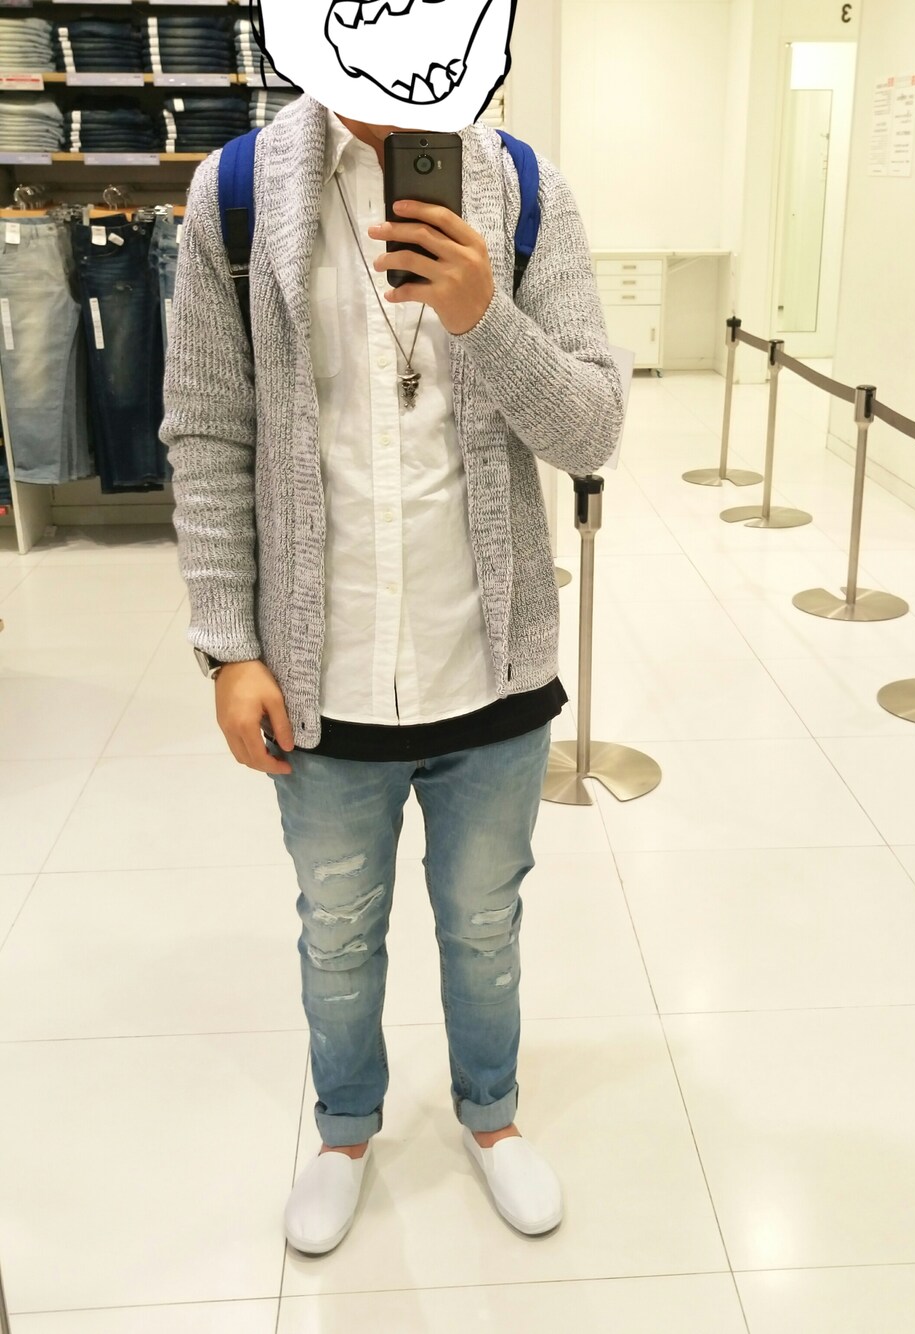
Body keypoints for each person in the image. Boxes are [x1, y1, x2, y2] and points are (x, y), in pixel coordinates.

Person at [160, 9, 623, 1258]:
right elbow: (206, 430)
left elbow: (591, 428)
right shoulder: (235, 195)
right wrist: (229, 644)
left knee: (484, 924)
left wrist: (484, 316)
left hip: (492, 665)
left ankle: (491, 1113)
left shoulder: (525, 191)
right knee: (337, 929)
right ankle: (346, 1130)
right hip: (324, 677)